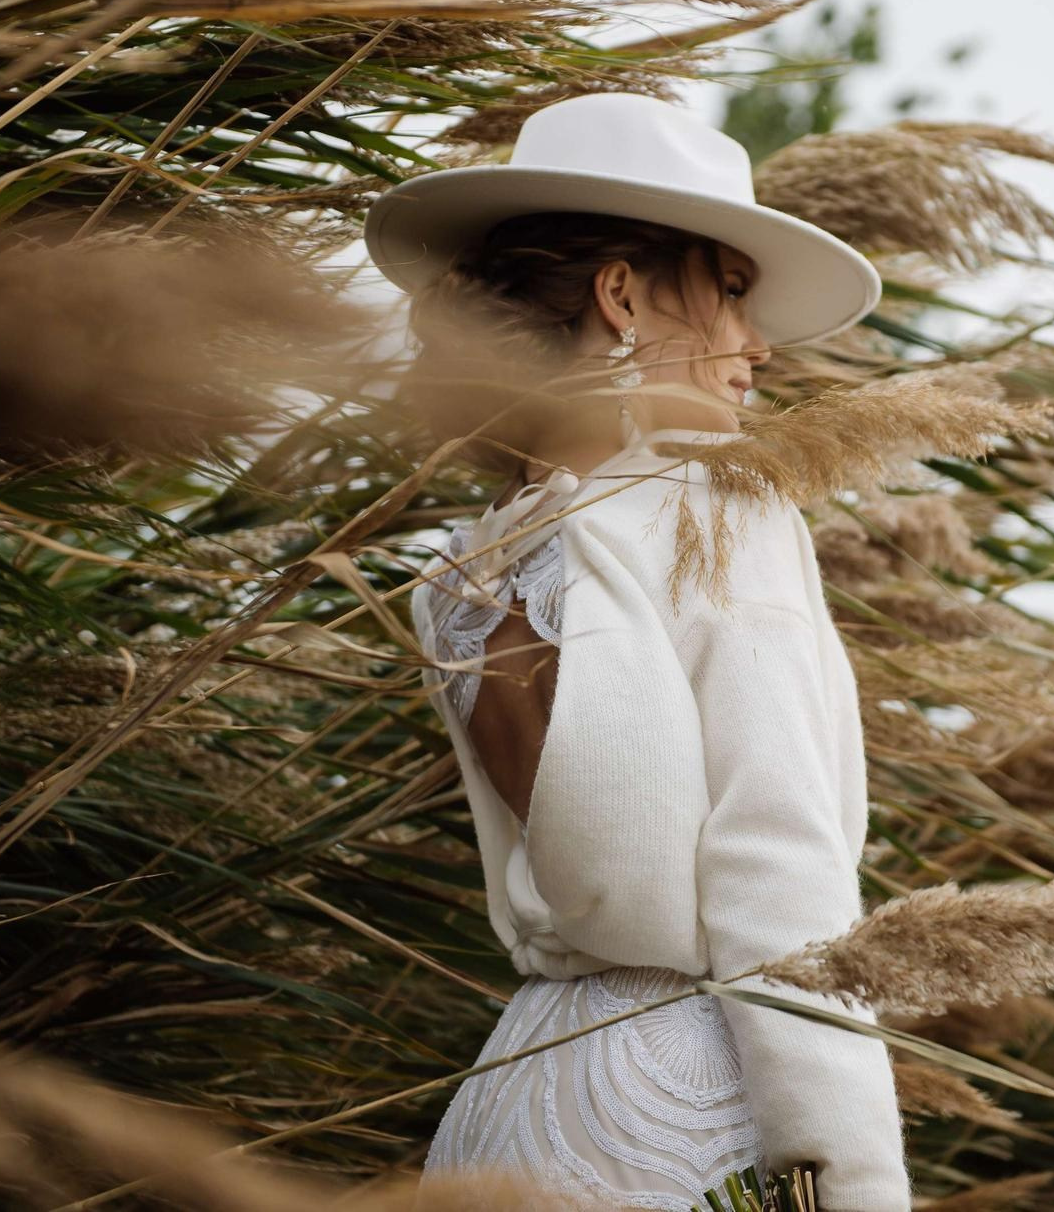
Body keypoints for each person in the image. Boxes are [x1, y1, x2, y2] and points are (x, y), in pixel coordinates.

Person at [369, 93, 911, 1211]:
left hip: (517, 1095)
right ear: (621, 295)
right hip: (687, 1098)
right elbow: (779, 879)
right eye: (728, 290)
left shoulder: (466, 565)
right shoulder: (713, 512)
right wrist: (849, 1182)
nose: (755, 345)